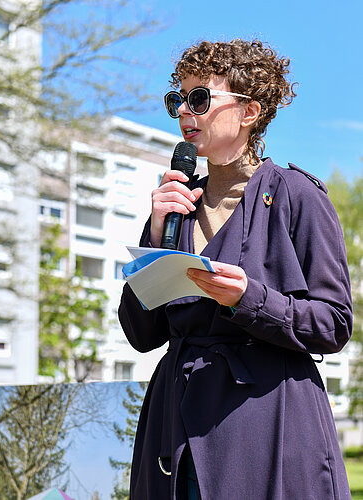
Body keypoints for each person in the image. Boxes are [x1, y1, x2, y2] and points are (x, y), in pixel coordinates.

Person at [118, 39, 353, 500]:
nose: (186, 111)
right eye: (177, 100)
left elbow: (334, 323)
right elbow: (141, 334)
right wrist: (156, 230)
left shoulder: (298, 196)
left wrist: (249, 300)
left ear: (249, 112)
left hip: (269, 427)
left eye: (200, 98)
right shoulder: (174, 207)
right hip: (175, 430)